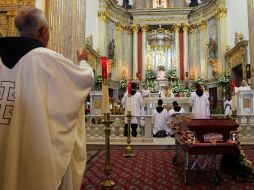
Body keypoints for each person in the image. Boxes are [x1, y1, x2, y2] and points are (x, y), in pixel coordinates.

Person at [0, 8, 94, 190]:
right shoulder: (46, 58)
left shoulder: (1, 61)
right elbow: (84, 79)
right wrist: (83, 61)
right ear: (43, 31)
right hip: (34, 147)